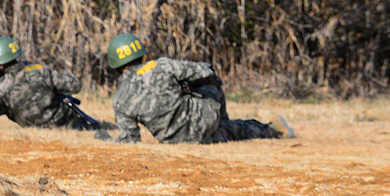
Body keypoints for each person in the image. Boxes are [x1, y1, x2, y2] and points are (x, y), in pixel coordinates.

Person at [107, 32, 294, 144]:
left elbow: (130, 139)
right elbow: (204, 71)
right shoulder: (161, 65)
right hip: (204, 121)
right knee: (210, 82)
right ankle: (268, 129)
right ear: (140, 54)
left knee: (226, 131)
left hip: (175, 140)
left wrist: (105, 138)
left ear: (115, 64)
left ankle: (236, 127)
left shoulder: (119, 99)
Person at [0, 37, 114, 136]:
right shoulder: (41, 70)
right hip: (73, 128)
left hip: (42, 136)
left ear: (2, 63)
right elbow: (75, 85)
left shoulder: (1, 88)